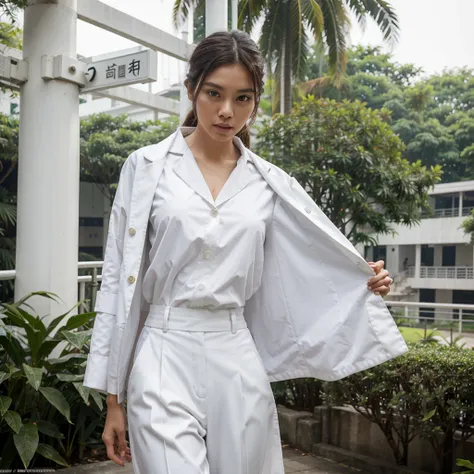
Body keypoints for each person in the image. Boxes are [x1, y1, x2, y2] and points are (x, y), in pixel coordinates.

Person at [83, 31, 405, 474]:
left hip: (235, 353)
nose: (226, 111)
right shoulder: (145, 167)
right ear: (191, 88)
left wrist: (362, 279)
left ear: (255, 102)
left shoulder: (268, 183)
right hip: (162, 350)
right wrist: (113, 400)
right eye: (214, 93)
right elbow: (118, 281)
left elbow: (306, 262)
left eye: (243, 98)